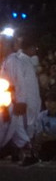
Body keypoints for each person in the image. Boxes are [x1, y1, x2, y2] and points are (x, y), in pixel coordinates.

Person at [1, 34, 41, 165]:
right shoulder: (7, 61)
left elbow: (19, 83)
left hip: (17, 101)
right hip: (11, 101)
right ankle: (26, 154)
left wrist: (21, 102)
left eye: (3, 43)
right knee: (16, 129)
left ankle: (29, 154)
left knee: (15, 127)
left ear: (11, 46)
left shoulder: (13, 61)